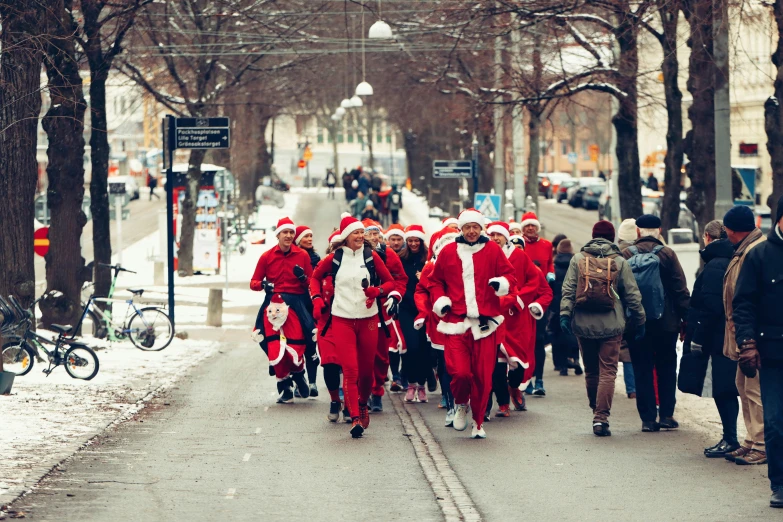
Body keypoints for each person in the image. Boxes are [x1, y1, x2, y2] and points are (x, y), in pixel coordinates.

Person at [428, 208, 517, 439]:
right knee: (460, 373)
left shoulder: (493, 250)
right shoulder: (448, 252)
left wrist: (501, 283)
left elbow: (511, 277)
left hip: (485, 324)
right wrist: (441, 300)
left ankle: (478, 422)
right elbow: (434, 282)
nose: (471, 231)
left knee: (483, 376)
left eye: (475, 227)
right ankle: (460, 404)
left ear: (481, 229)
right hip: (456, 323)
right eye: (467, 227)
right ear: (460, 229)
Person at [310, 214, 396, 438]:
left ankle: (362, 403)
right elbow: (314, 278)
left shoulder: (371, 257)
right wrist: (317, 299)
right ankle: (355, 418)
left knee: (366, 373)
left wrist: (376, 291)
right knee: (350, 371)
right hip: (342, 318)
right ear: (346, 237)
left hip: (368, 319)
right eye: (356, 233)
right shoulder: (334, 258)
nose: (360, 236)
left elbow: (389, 282)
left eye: (361, 233)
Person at [561, 220, 646, 436]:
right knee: (608, 371)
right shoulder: (619, 260)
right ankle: (601, 417)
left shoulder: (578, 259)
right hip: (612, 324)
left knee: (591, 370)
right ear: (612, 237)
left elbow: (569, 289)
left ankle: (595, 409)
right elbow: (632, 295)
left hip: (583, 323)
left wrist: (564, 315)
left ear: (593, 235)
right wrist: (639, 319)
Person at [732, 195, 783, 508]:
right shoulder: (760, 255)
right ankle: (779, 483)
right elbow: (744, 303)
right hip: (773, 353)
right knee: (776, 422)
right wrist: (748, 343)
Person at [622, 214, 690, 432]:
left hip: (636, 322)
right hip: (666, 322)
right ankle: (667, 415)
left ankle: (648, 419)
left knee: (642, 368)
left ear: (639, 232)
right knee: (667, 367)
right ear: (659, 231)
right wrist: (685, 319)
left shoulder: (625, 254)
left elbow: (619, 290)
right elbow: (680, 289)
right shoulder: (667, 254)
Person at [677, 220, 740, 458]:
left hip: (718, 338)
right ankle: (732, 437)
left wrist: (698, 338)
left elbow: (711, 307)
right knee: (727, 388)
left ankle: (731, 438)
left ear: (707, 237)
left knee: (723, 390)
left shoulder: (715, 266)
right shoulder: (731, 260)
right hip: (726, 334)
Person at [486, 221, 549, 417]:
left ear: (506, 236)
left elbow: (535, 281)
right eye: (492, 235)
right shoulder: (484, 256)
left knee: (519, 364)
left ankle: (515, 387)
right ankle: (503, 404)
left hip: (516, 317)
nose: (495, 238)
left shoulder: (519, 256)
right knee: (496, 364)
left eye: (499, 235)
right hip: (494, 315)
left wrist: (520, 299)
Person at [250, 217, 315, 403]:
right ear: (277, 234)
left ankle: (298, 373)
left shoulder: (302, 255)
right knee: (267, 340)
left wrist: (302, 278)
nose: (288, 235)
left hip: (295, 303)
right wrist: (263, 284)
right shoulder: (266, 256)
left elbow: (312, 282)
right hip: (273, 304)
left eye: (291, 232)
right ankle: (285, 383)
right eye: (284, 232)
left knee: (305, 338)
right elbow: (253, 283)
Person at [721, 205, 767, 465]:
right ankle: (751, 440)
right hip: (741, 335)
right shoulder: (744, 250)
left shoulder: (753, 252)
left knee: (754, 389)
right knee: (743, 386)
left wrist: (748, 339)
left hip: (750, 337)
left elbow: (748, 300)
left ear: (732, 229)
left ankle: (761, 444)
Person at [416, 227, 460, 425]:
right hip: (439, 324)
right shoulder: (429, 268)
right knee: (445, 366)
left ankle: (466, 403)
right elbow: (422, 291)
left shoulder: (467, 263)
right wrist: (423, 312)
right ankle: (451, 405)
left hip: (463, 322)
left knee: (462, 368)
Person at [363, 219, 407, 413]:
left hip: (381, 310)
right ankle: (366, 393)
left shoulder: (387, 253)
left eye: (376, 233)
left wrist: (394, 296)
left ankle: (378, 387)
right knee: (363, 355)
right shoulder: (352, 254)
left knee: (381, 356)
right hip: (359, 310)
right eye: (369, 233)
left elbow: (400, 279)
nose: (373, 237)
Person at [519, 211, 555, 396]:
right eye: (527, 226)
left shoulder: (546, 245)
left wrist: (550, 274)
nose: (530, 228)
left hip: (539, 301)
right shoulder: (519, 245)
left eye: (533, 226)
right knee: (525, 341)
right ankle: (527, 379)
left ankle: (539, 379)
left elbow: (549, 264)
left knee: (539, 340)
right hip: (522, 301)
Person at [398, 225, 431, 403]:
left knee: (424, 348)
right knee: (412, 347)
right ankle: (411, 384)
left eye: (416, 240)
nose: (413, 243)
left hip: (425, 308)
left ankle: (422, 385)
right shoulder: (401, 259)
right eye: (410, 240)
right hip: (407, 307)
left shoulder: (427, 258)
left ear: (421, 241)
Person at [294, 225, 321, 395]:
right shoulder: (291, 257)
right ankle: (299, 381)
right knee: (296, 343)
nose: (310, 239)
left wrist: (305, 278)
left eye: (311, 236)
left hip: (310, 303)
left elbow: (317, 280)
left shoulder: (315, 258)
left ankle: (312, 383)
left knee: (311, 343)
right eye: (306, 237)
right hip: (295, 303)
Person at [550, 239, 582, 376]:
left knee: (559, 333)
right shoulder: (577, 265)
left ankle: (562, 365)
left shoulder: (554, 267)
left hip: (558, 304)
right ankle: (575, 359)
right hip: (574, 303)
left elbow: (550, 286)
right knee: (575, 332)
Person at [617, 218, 639, 398]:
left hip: (623, 306)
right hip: (644, 305)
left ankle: (631, 389)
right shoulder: (649, 250)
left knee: (626, 349)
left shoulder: (619, 254)